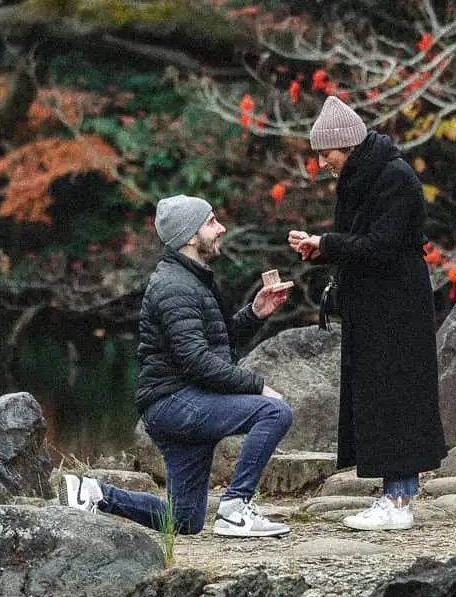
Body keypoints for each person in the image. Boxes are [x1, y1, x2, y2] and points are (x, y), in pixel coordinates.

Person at [58, 194, 293, 537]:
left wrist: (255, 314)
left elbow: (213, 347)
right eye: (212, 222)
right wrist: (257, 386)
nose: (221, 228)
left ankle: (93, 493)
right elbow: (196, 361)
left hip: (182, 402)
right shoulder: (174, 286)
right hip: (174, 403)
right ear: (189, 236)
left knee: (183, 521)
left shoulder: (192, 278)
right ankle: (235, 509)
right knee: (274, 411)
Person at [289, 97, 448, 531]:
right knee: (379, 396)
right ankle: (395, 494)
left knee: (396, 395)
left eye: (327, 153)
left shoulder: (394, 177)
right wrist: (319, 248)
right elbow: (354, 242)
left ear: (348, 144)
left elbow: (382, 246)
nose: (323, 163)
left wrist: (328, 244)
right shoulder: (360, 176)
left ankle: (398, 500)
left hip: (397, 304)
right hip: (374, 303)